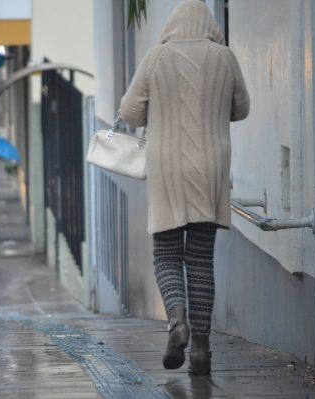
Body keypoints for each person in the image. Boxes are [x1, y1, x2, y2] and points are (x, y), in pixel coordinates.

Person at [119, 0, 249, 375]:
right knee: (200, 260)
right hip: (210, 166)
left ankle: (178, 322)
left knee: (166, 254)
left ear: (173, 26)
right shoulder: (225, 57)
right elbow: (241, 109)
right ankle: (203, 352)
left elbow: (129, 113)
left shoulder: (156, 57)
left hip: (167, 168)